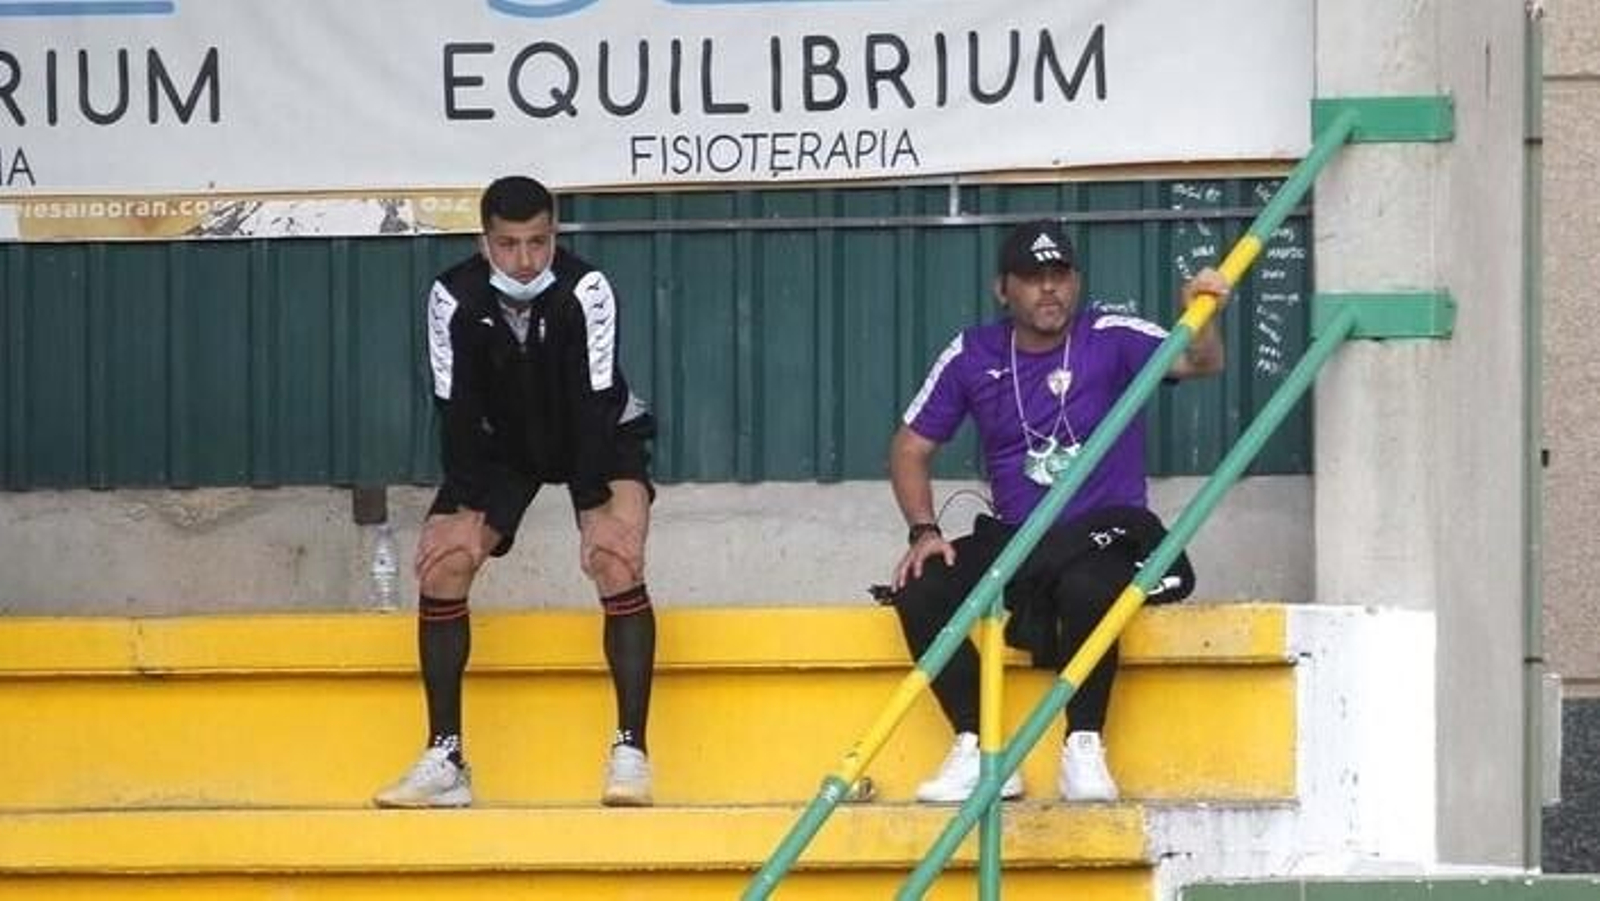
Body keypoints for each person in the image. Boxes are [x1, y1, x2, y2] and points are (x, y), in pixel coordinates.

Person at [888, 219, 1229, 803]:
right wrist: (924, 531)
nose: (1049, 288)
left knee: (1089, 586)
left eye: (1060, 274)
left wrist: (1204, 312)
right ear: (1003, 289)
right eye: (1031, 277)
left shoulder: (1110, 334)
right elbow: (909, 448)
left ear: (1076, 281)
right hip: (1020, 539)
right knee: (920, 585)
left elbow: (1200, 362)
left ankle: (1084, 745)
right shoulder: (973, 352)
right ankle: (980, 748)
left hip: (1101, 534)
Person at [374, 175, 659, 809]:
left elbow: (594, 401)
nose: (525, 259)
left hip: (597, 435)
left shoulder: (588, 289)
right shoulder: (452, 295)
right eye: (508, 244)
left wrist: (596, 507)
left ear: (555, 235)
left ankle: (631, 753)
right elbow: (453, 404)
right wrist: (464, 506)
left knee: (615, 556)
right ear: (485, 242)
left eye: (538, 241)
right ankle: (446, 759)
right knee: (445, 563)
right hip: (504, 444)